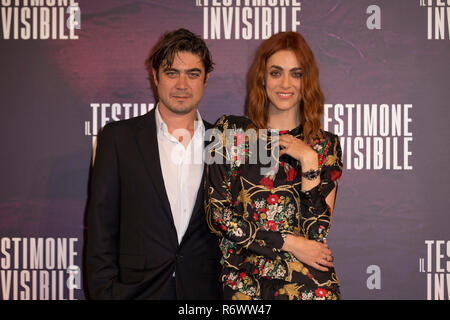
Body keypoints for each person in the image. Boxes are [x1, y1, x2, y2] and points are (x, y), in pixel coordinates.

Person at [205, 31, 343, 300]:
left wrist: (309, 161)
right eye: (276, 72)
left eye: (296, 73)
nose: (286, 83)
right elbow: (217, 215)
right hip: (244, 283)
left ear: (307, 81)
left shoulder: (325, 145)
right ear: (263, 78)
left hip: (309, 288)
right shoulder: (229, 131)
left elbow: (316, 232)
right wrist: (288, 242)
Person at [85, 28, 222, 300]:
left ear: (206, 78)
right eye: (172, 73)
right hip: (136, 292)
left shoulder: (223, 143)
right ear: (155, 76)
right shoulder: (118, 138)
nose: (182, 85)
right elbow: (101, 227)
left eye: (192, 74)